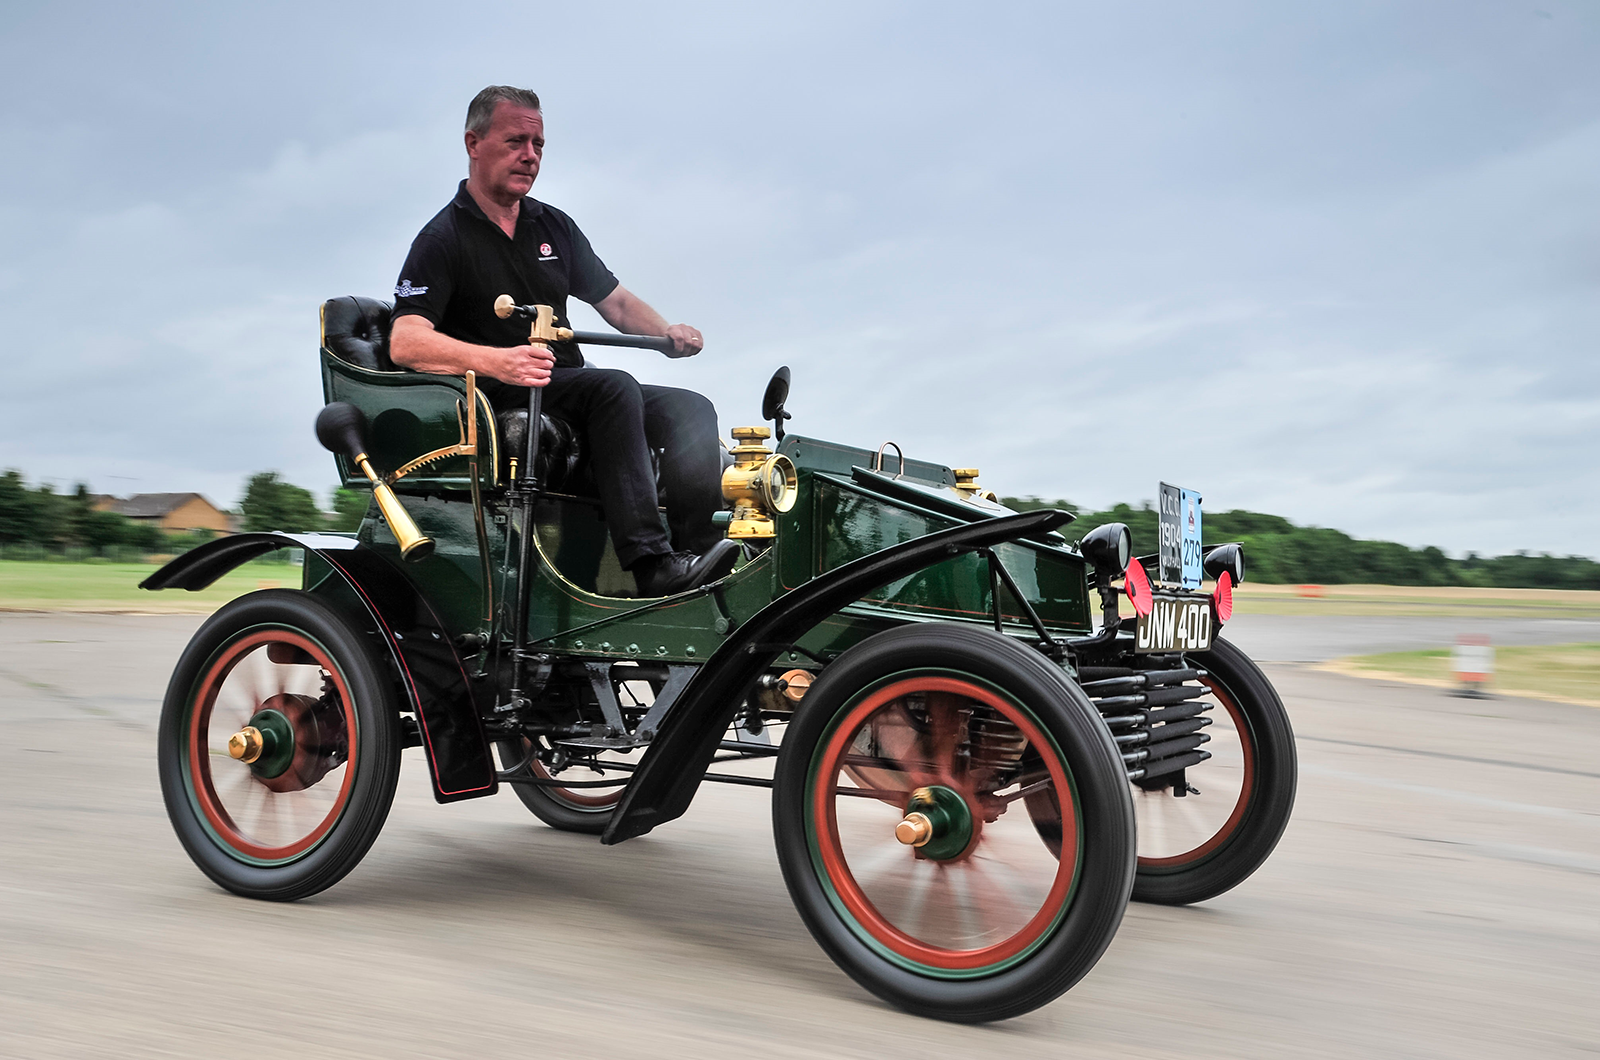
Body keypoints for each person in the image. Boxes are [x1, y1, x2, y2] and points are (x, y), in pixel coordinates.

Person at [389, 85, 739, 597]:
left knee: (692, 408)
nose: (529, 156)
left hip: (563, 385)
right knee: (613, 387)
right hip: (495, 391)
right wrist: (500, 362)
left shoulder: (553, 225)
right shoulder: (442, 239)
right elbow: (406, 341)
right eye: (515, 142)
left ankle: (701, 563)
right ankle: (651, 566)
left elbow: (615, 302)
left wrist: (665, 332)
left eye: (538, 145)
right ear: (473, 143)